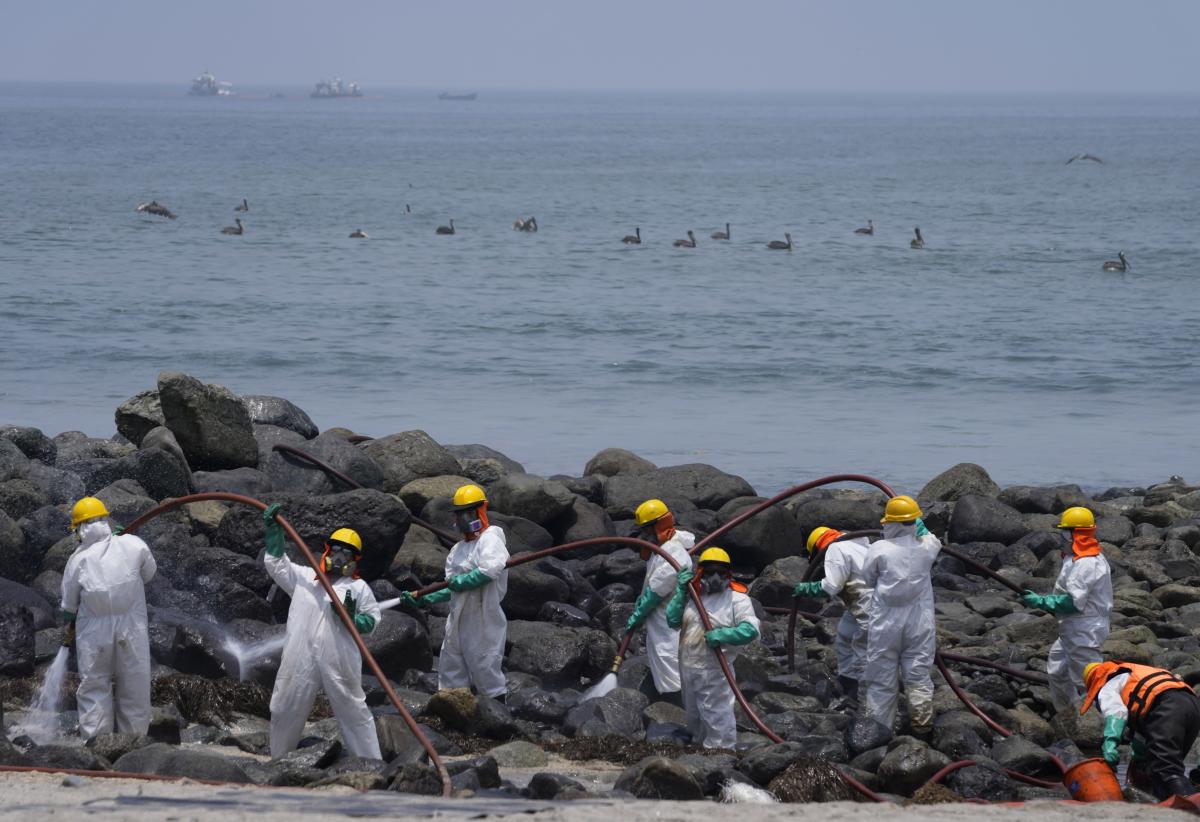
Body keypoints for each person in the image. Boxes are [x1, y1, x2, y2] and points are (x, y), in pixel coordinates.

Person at [262, 505, 382, 759]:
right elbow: (277, 565)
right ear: (327, 550)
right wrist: (275, 534)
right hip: (300, 654)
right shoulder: (305, 577)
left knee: (352, 709)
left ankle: (371, 762)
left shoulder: (358, 588)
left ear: (354, 560)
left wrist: (351, 617)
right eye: (335, 550)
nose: (339, 557)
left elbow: (372, 621)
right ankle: (278, 759)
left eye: (346, 554)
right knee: (284, 706)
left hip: (338, 656)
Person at [60, 496, 156, 739]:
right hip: (131, 626)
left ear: (80, 528)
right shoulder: (134, 545)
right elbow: (149, 573)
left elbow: (69, 605)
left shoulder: (77, 560)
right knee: (134, 681)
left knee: (94, 683)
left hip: (93, 631)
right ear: (106, 520)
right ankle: (134, 741)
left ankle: (96, 741)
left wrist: (71, 618)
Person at [403, 484, 509, 699]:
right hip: (457, 617)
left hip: (483, 616)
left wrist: (465, 581)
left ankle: (498, 716)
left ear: (481, 511)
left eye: (468, 513)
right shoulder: (457, 550)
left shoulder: (491, 539)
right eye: (459, 514)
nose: (462, 519)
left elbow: (491, 569)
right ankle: (453, 710)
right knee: (452, 664)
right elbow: (450, 586)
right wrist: (424, 597)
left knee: (484, 666)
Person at [860, 495, 942, 734]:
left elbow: (867, 579)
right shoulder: (927, 547)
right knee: (918, 673)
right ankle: (922, 726)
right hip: (919, 620)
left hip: (886, 621)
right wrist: (920, 526)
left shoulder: (879, 549)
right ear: (914, 521)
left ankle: (878, 730)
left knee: (881, 677)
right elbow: (932, 538)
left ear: (891, 522)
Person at [665, 546, 760, 749]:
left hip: (715, 669)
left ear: (728, 574)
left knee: (717, 714)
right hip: (688, 666)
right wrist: (680, 592)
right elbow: (672, 620)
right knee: (694, 715)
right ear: (701, 573)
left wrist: (724, 634)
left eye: (720, 572)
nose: (715, 577)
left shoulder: (737, 600)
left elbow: (750, 630)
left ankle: (722, 752)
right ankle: (700, 752)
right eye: (709, 572)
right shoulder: (693, 598)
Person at [1021, 506, 1112, 712]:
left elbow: (1073, 602)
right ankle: (1070, 714)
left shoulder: (1086, 564)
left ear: (1076, 534)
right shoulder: (1077, 557)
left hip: (1084, 629)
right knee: (1057, 671)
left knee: (1087, 680)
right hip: (1072, 627)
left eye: (1065, 532)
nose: (1061, 537)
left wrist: (1041, 602)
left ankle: (1105, 723)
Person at [1081, 660, 1200, 800]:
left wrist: (1110, 745)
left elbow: (1117, 713)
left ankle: (1191, 804)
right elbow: (1143, 734)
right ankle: (1167, 802)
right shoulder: (1138, 673)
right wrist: (1139, 757)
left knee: (1166, 769)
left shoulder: (1107, 685)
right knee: (1161, 768)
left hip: (1167, 709)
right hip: (1193, 705)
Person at [624, 498, 695, 697]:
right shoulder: (661, 549)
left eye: (647, 530)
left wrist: (638, 614)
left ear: (660, 526)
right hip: (660, 618)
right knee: (664, 657)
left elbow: (656, 591)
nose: (643, 535)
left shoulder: (674, 552)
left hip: (669, 620)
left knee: (670, 657)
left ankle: (678, 705)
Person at [792, 525, 873, 699]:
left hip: (868, 606)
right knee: (845, 632)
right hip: (864, 603)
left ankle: (866, 699)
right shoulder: (859, 543)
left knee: (863, 651)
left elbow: (831, 586)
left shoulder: (835, 549)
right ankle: (848, 678)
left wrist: (808, 588)